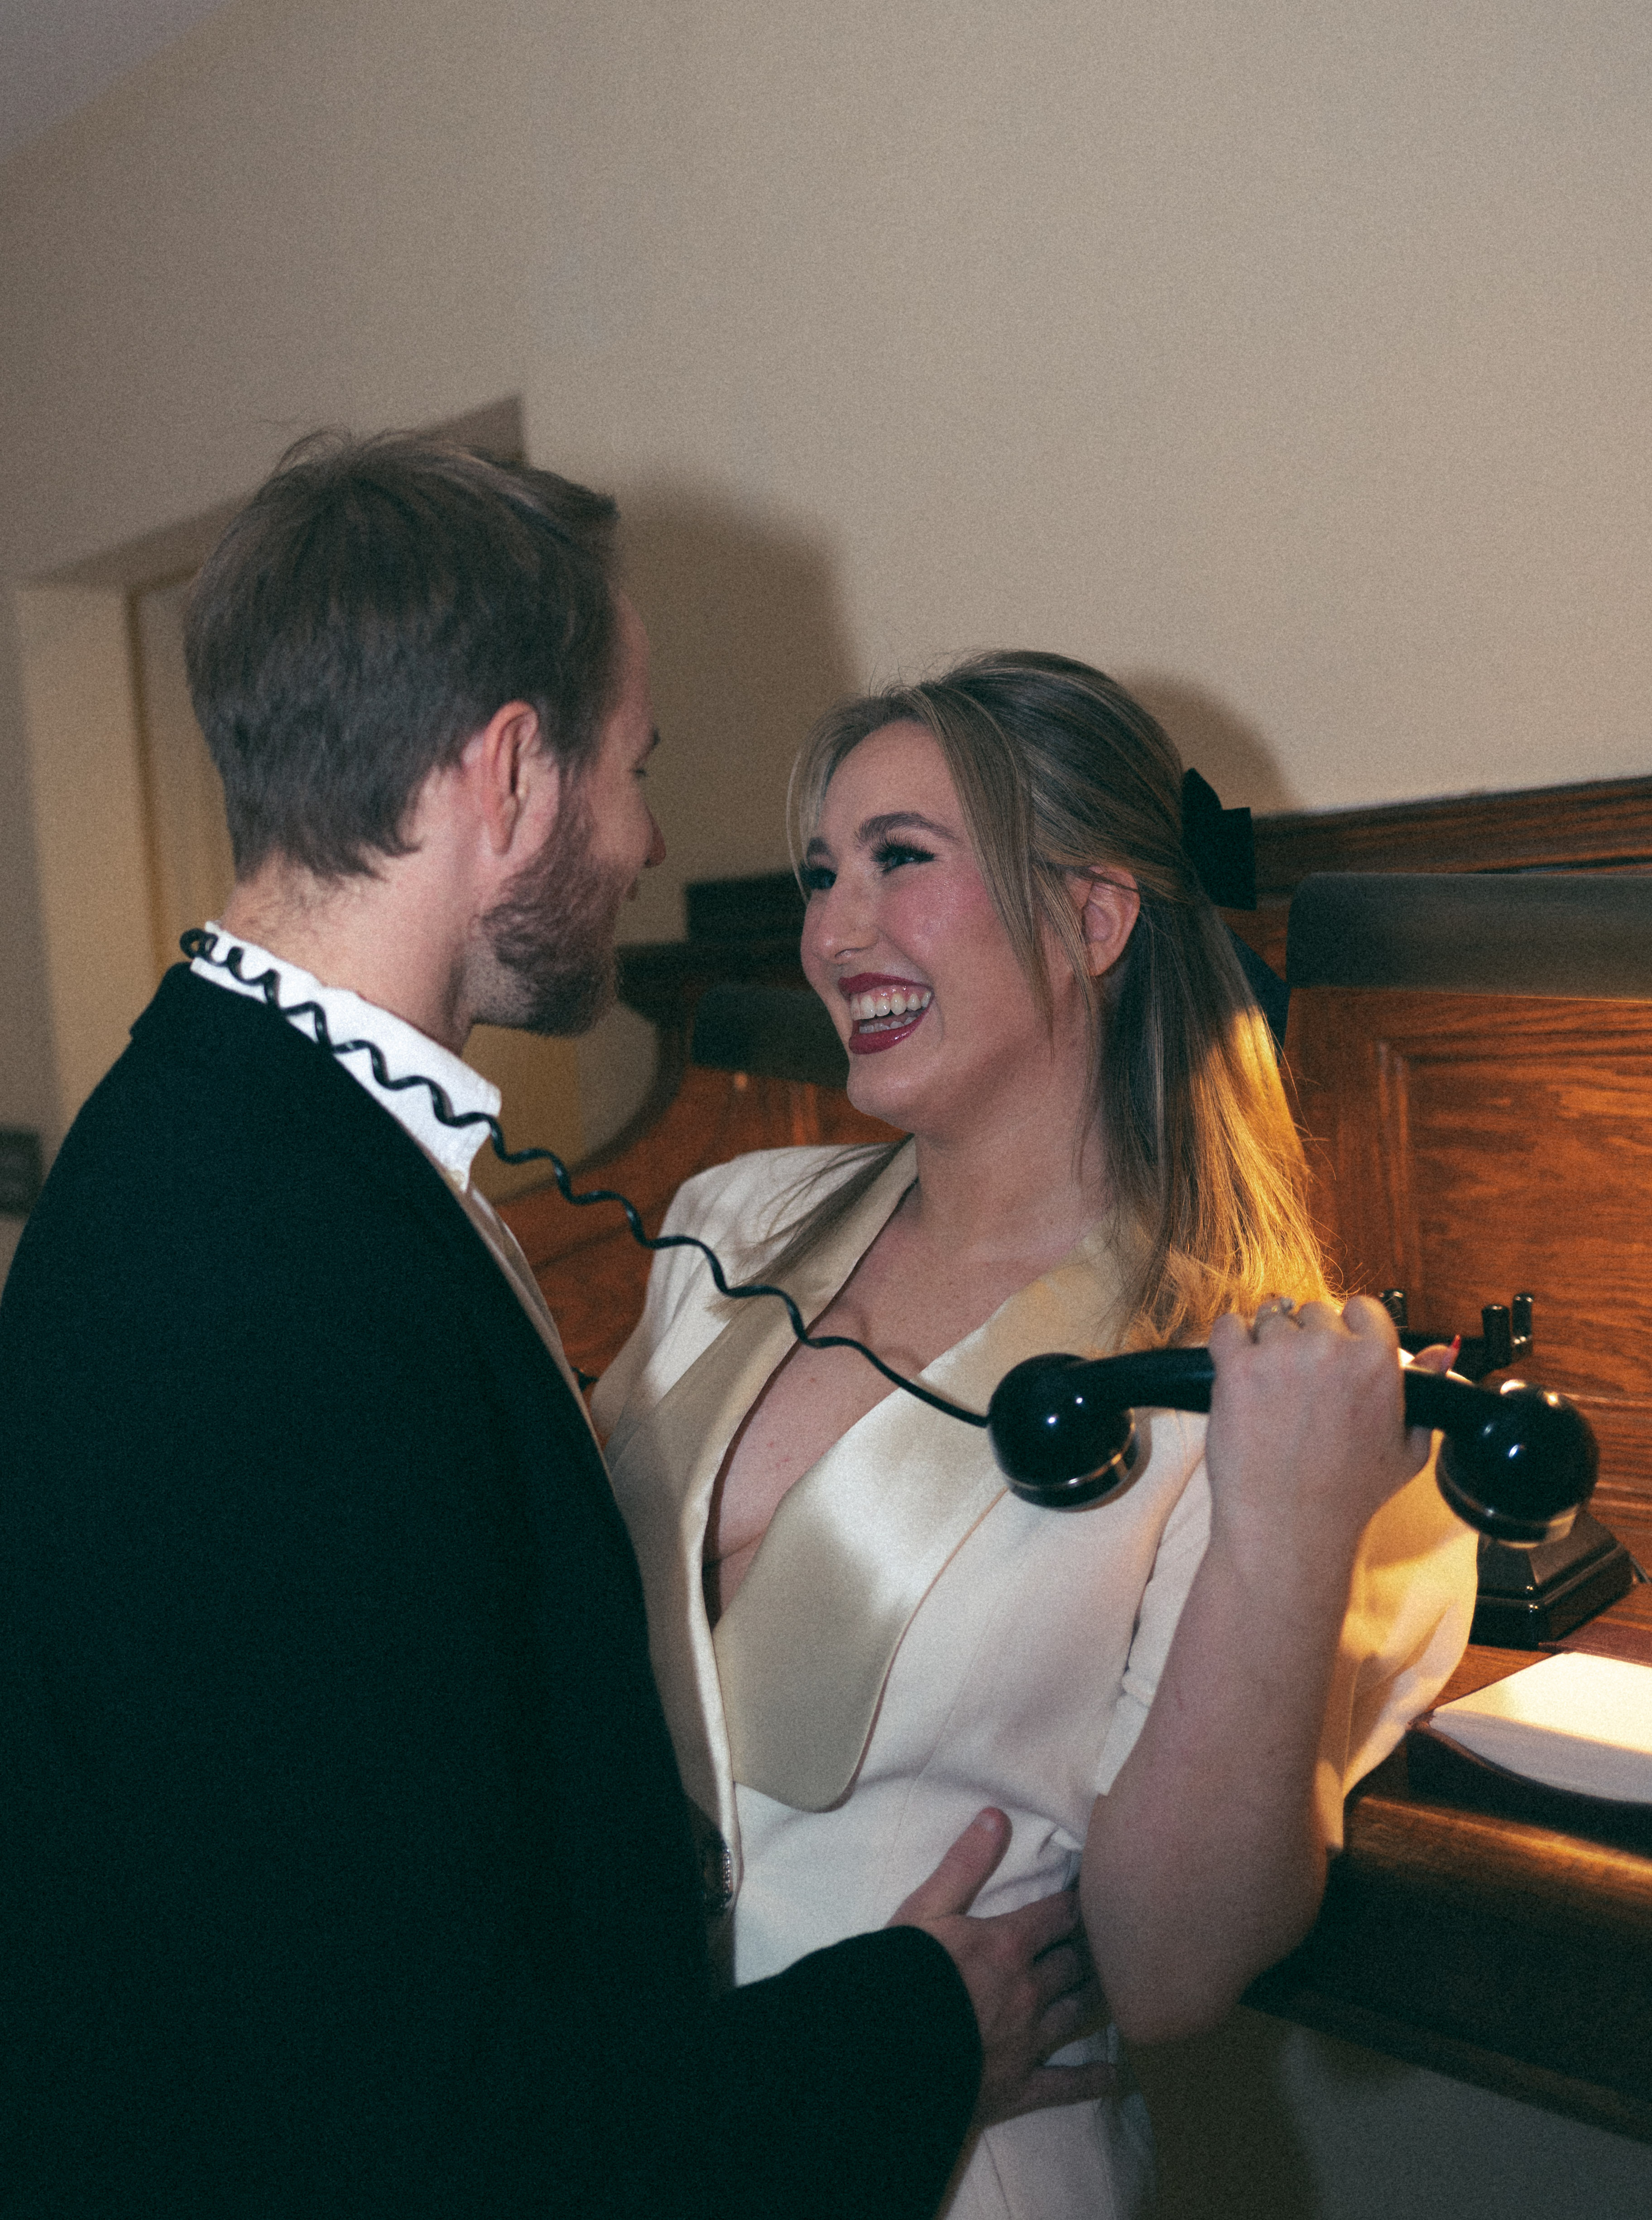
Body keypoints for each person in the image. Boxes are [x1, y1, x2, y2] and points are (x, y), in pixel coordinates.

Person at [0, 440, 1109, 2220]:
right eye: (631, 768)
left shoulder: (239, 1134)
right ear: (514, 773)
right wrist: (912, 2031)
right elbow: (425, 2122)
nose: (648, 839)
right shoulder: (267, 1268)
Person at [593, 653, 1481, 2220]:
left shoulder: (1248, 1391)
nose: (832, 933)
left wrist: (1287, 1528)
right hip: (645, 2129)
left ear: (1094, 917)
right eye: (821, 874)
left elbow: (1171, 1968)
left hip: (951, 2169)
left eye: (901, 859)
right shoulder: (726, 1224)